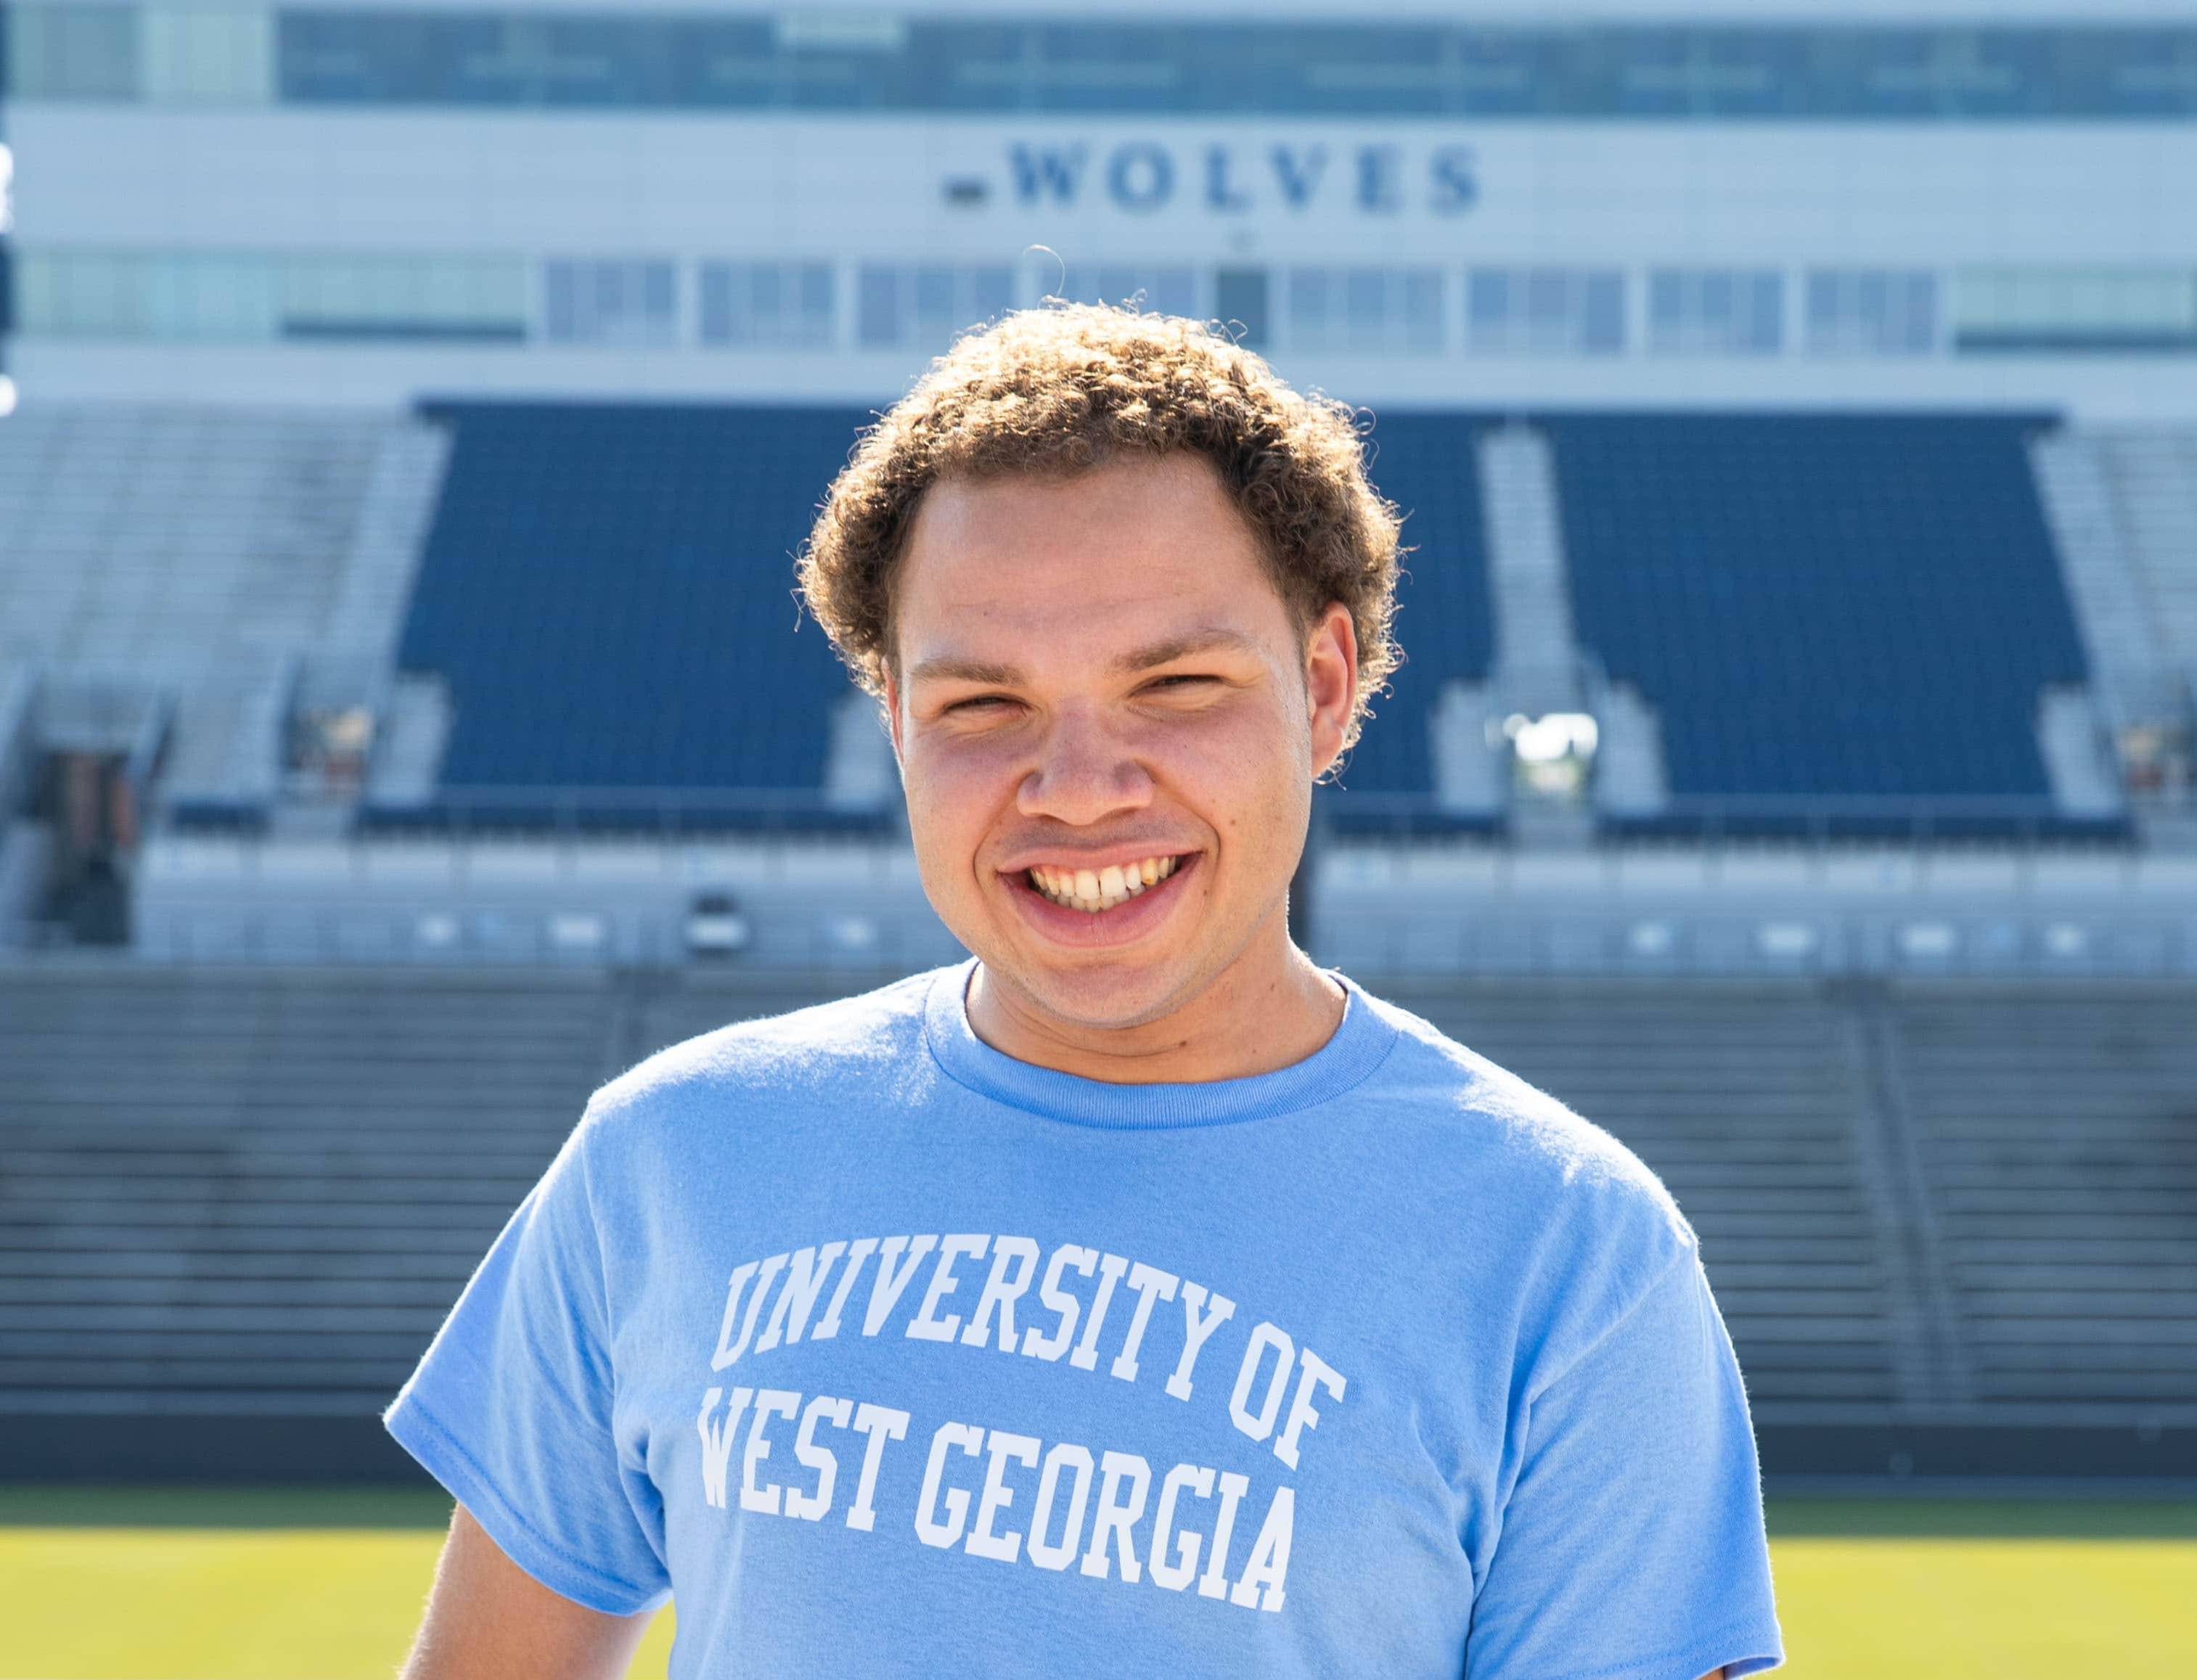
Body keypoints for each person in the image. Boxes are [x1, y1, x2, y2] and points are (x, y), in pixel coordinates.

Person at [386, 305, 1783, 1679]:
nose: (1080, 789)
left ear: (1328, 686)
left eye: (1175, 685)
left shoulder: (1567, 1254)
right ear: (895, 727)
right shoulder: (671, 1157)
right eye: (983, 707)